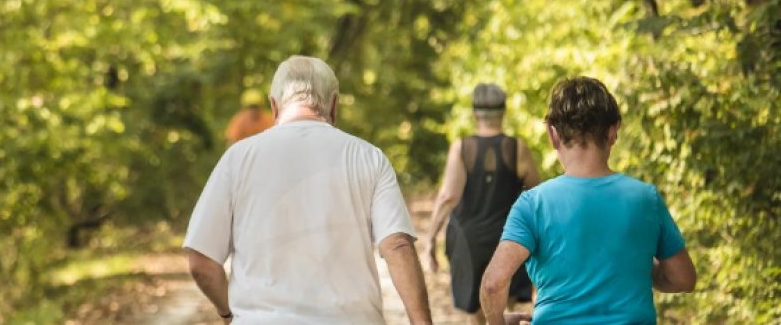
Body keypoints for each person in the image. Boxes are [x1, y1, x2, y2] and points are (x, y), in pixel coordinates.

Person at [183, 56, 432, 324]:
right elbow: (397, 245)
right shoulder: (369, 157)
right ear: (334, 105)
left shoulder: (238, 158)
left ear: (274, 106)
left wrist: (229, 313)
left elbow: (201, 261)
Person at [480, 77, 697, 325]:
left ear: (552, 134)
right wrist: (640, 269)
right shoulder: (645, 198)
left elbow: (492, 284)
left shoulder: (532, 204)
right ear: (613, 132)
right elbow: (683, 279)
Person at [423, 83, 541, 325]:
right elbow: (536, 193)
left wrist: (431, 238)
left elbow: (448, 196)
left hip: (468, 241)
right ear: (503, 112)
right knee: (504, 312)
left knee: (473, 314)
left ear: (475, 113)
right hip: (508, 238)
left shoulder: (462, 148)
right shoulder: (517, 148)